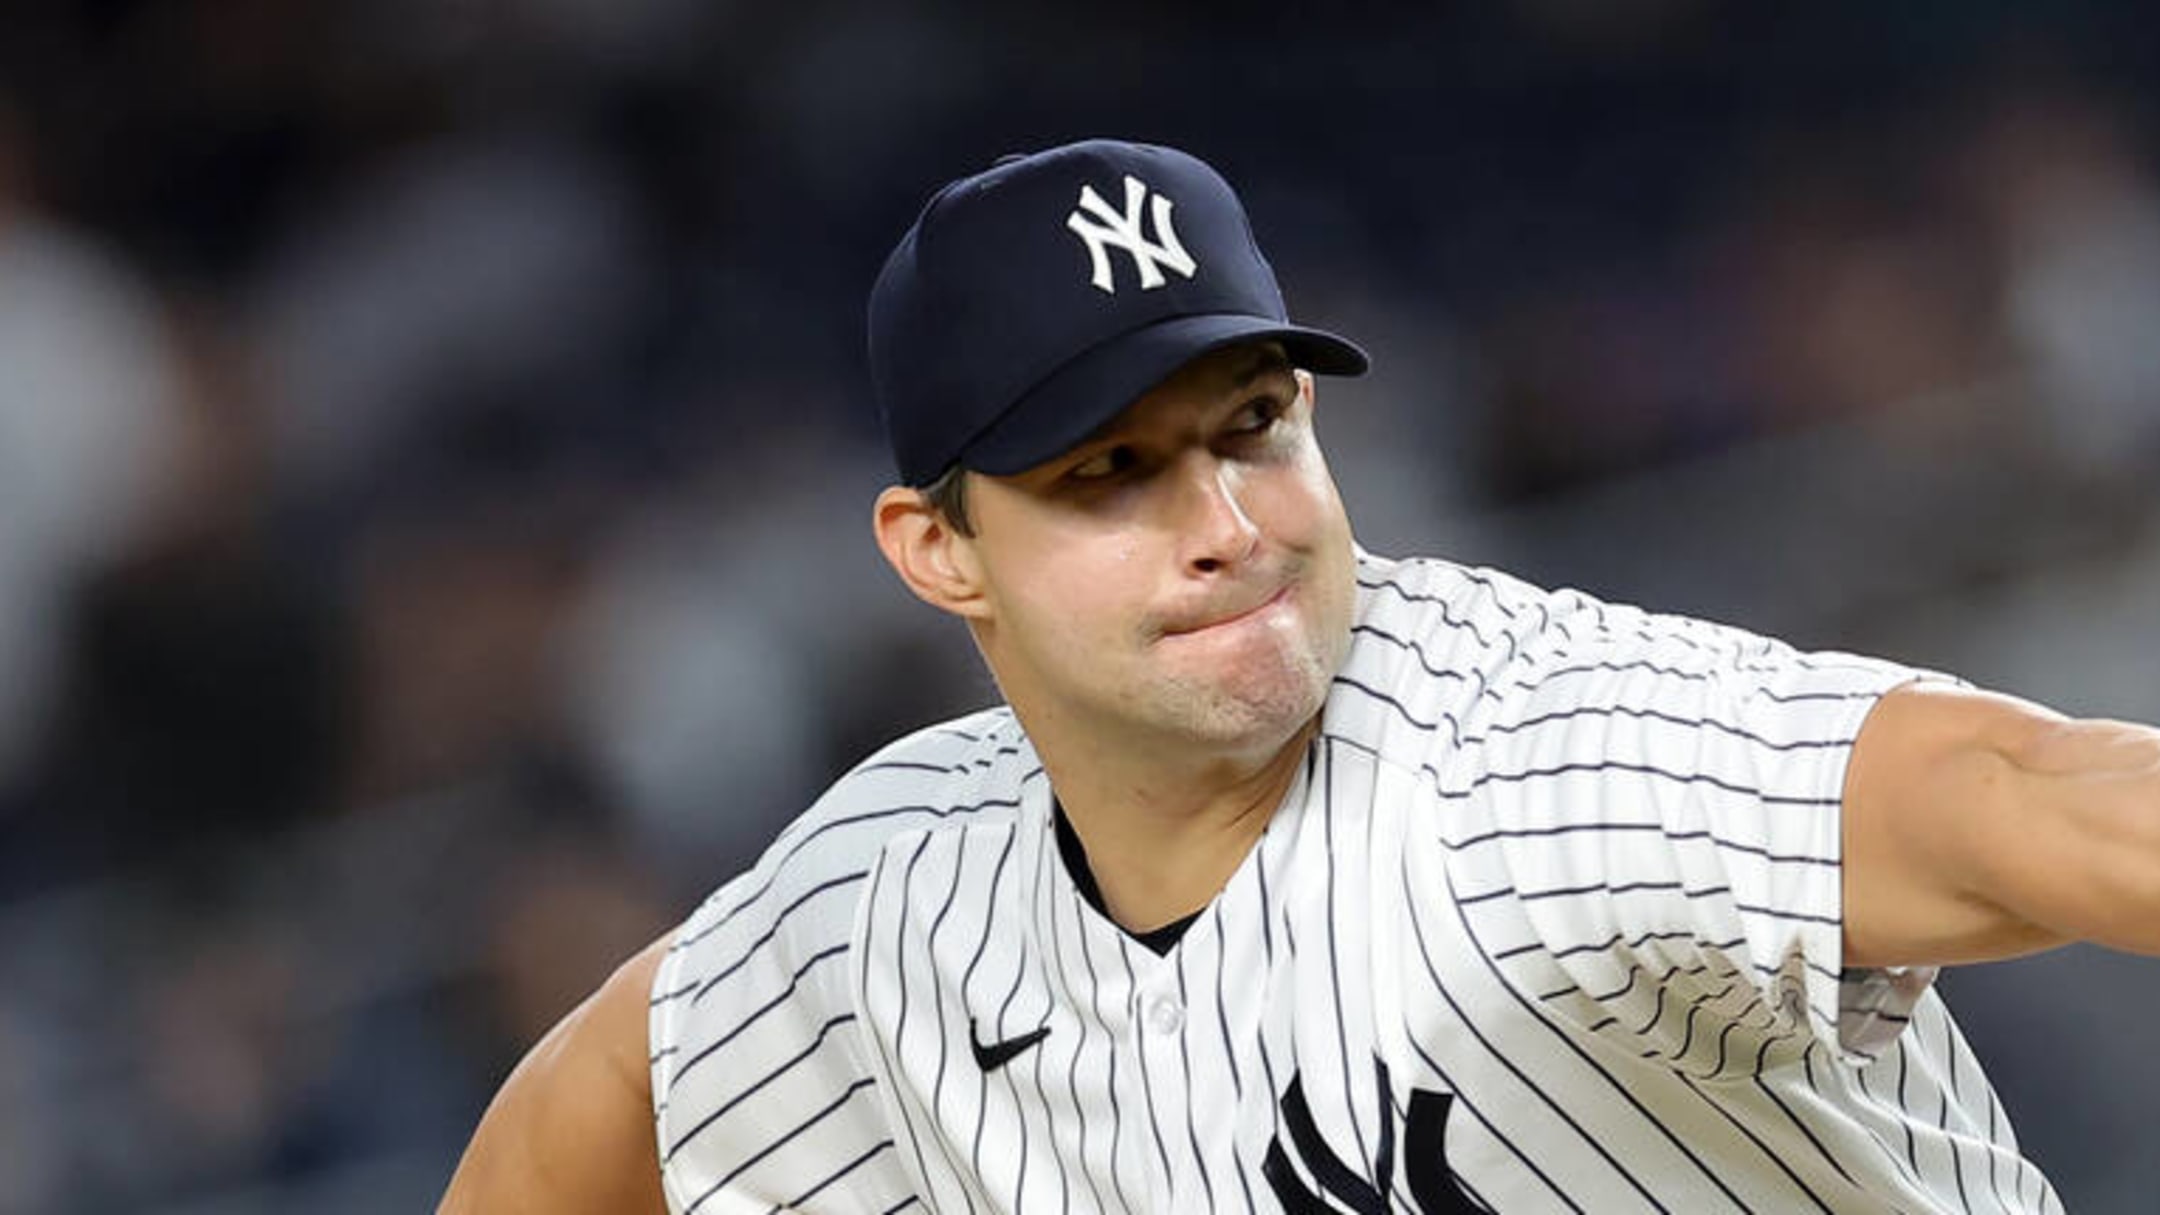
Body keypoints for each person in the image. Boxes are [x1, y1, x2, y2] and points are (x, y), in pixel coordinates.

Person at [440, 139, 2160, 1213]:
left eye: (1250, 429)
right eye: (1107, 472)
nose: (1224, 525)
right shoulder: (882, 901)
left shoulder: (1531, 765)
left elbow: (2029, 797)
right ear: (935, 549)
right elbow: (609, 1088)